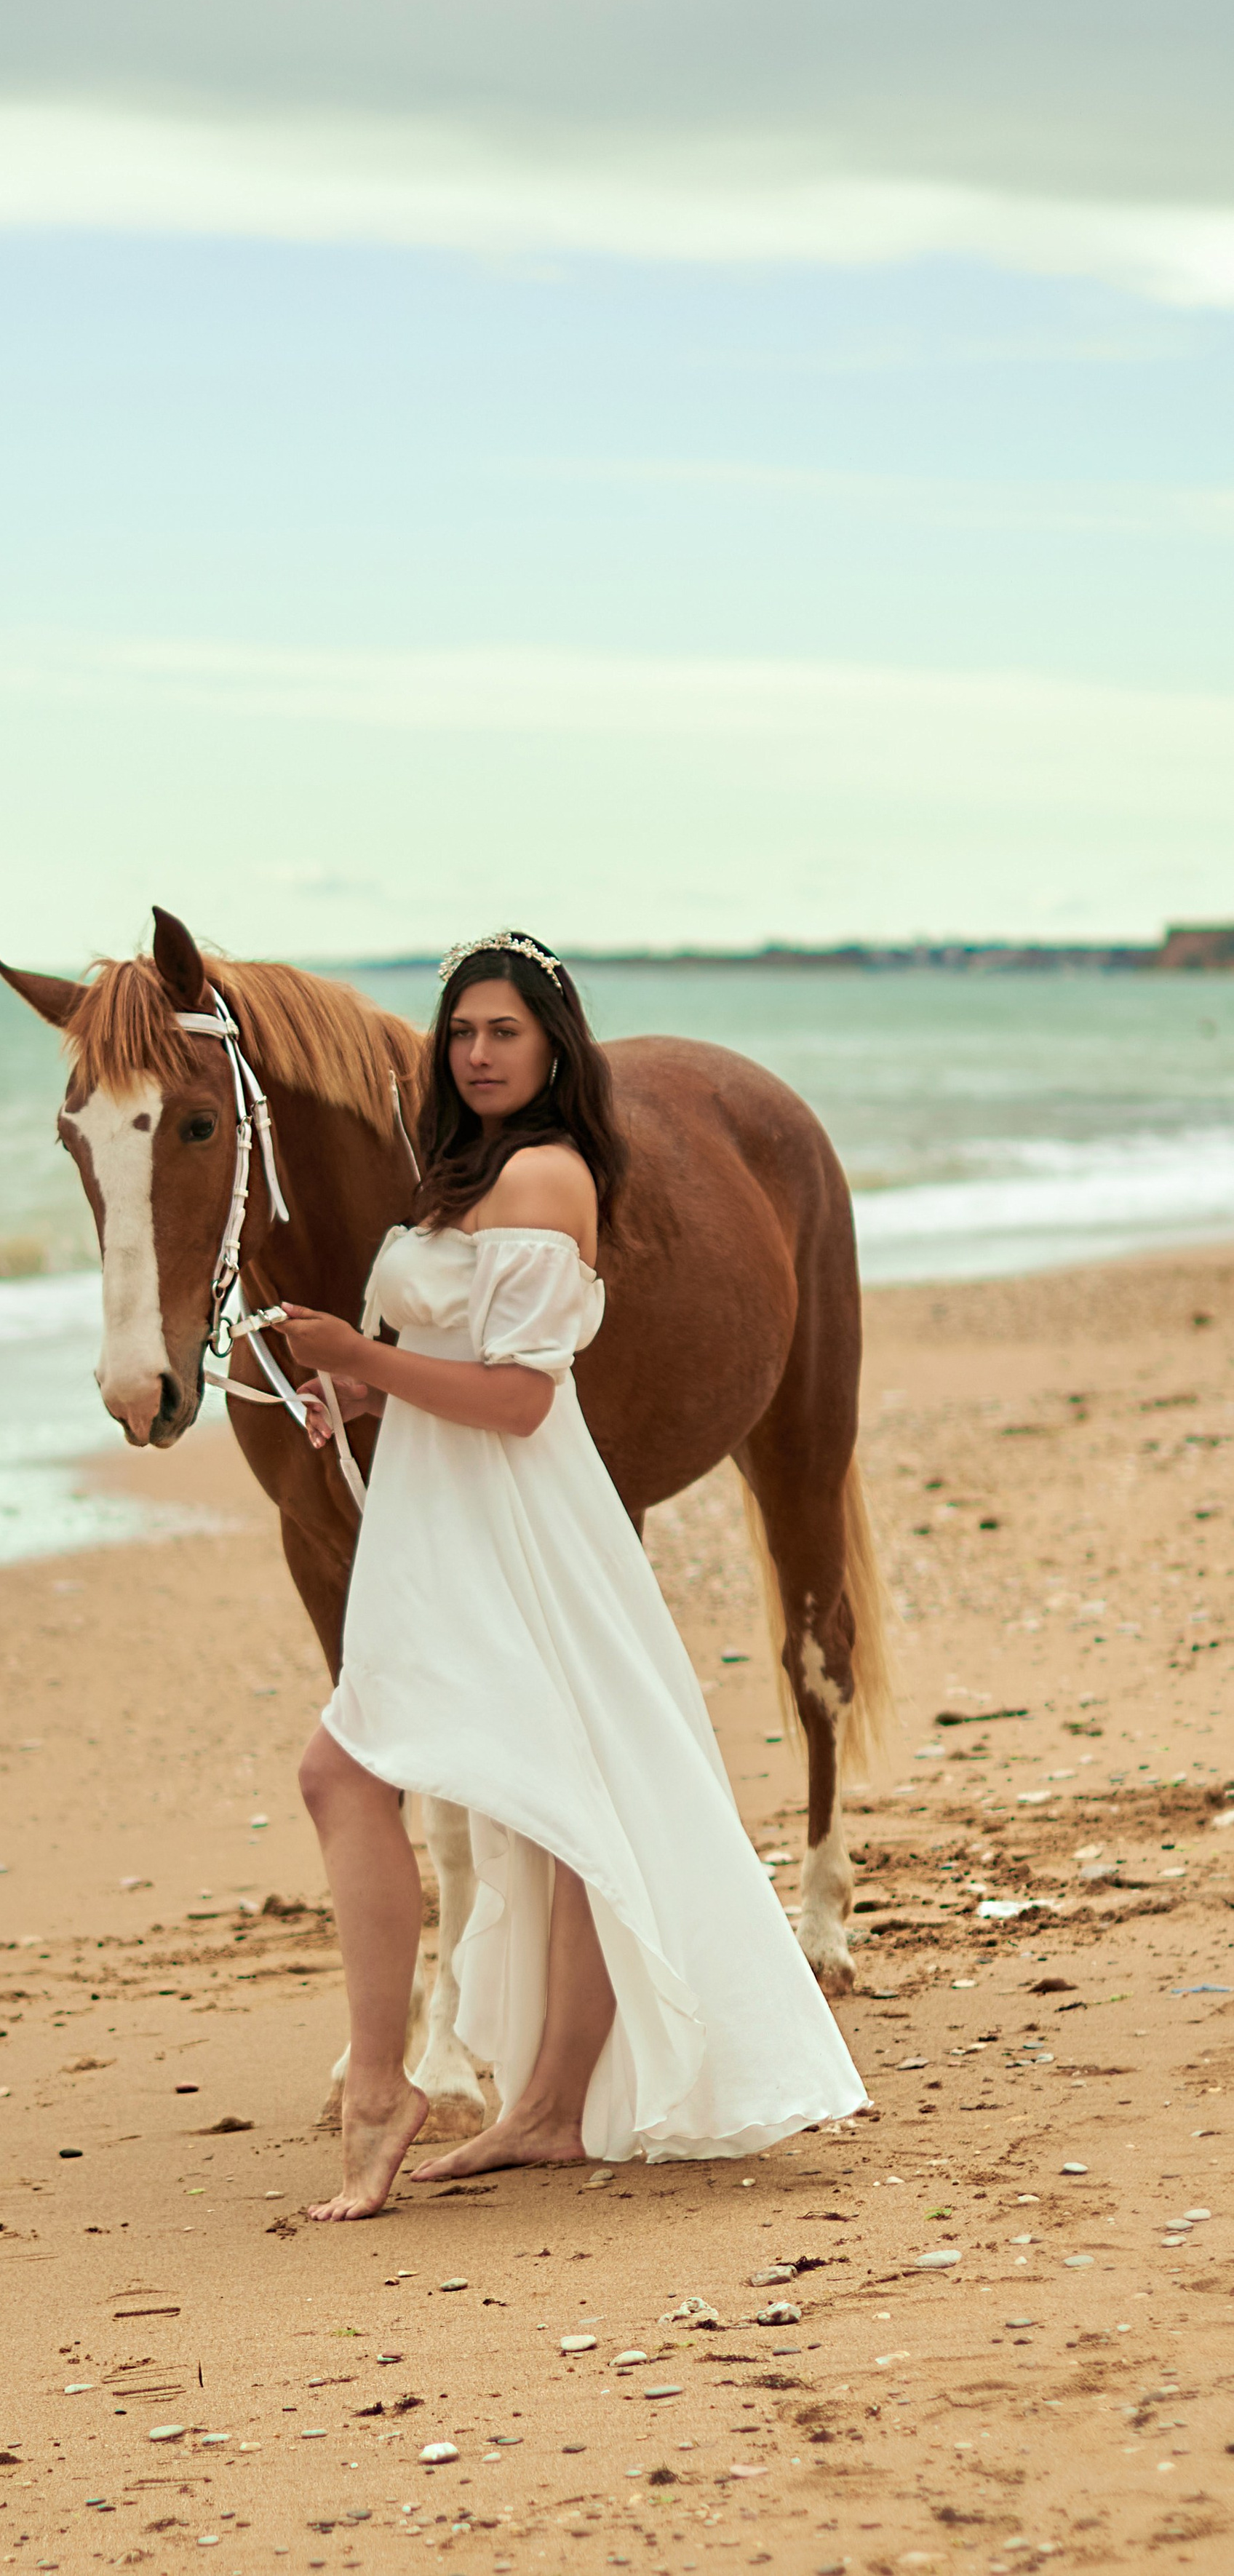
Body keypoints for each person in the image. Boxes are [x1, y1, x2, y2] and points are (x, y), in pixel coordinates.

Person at [276, 930, 867, 2222]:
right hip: (453, 1510)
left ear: (554, 1047)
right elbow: (461, 1359)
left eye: (507, 1032)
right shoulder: (464, 1172)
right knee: (566, 1795)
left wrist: (366, 1360)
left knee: (353, 1774)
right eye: (463, 1033)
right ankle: (545, 2108)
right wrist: (357, 1401)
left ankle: (387, 2088)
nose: (479, 1054)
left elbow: (522, 1401)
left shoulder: (545, 1177)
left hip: (517, 1523)